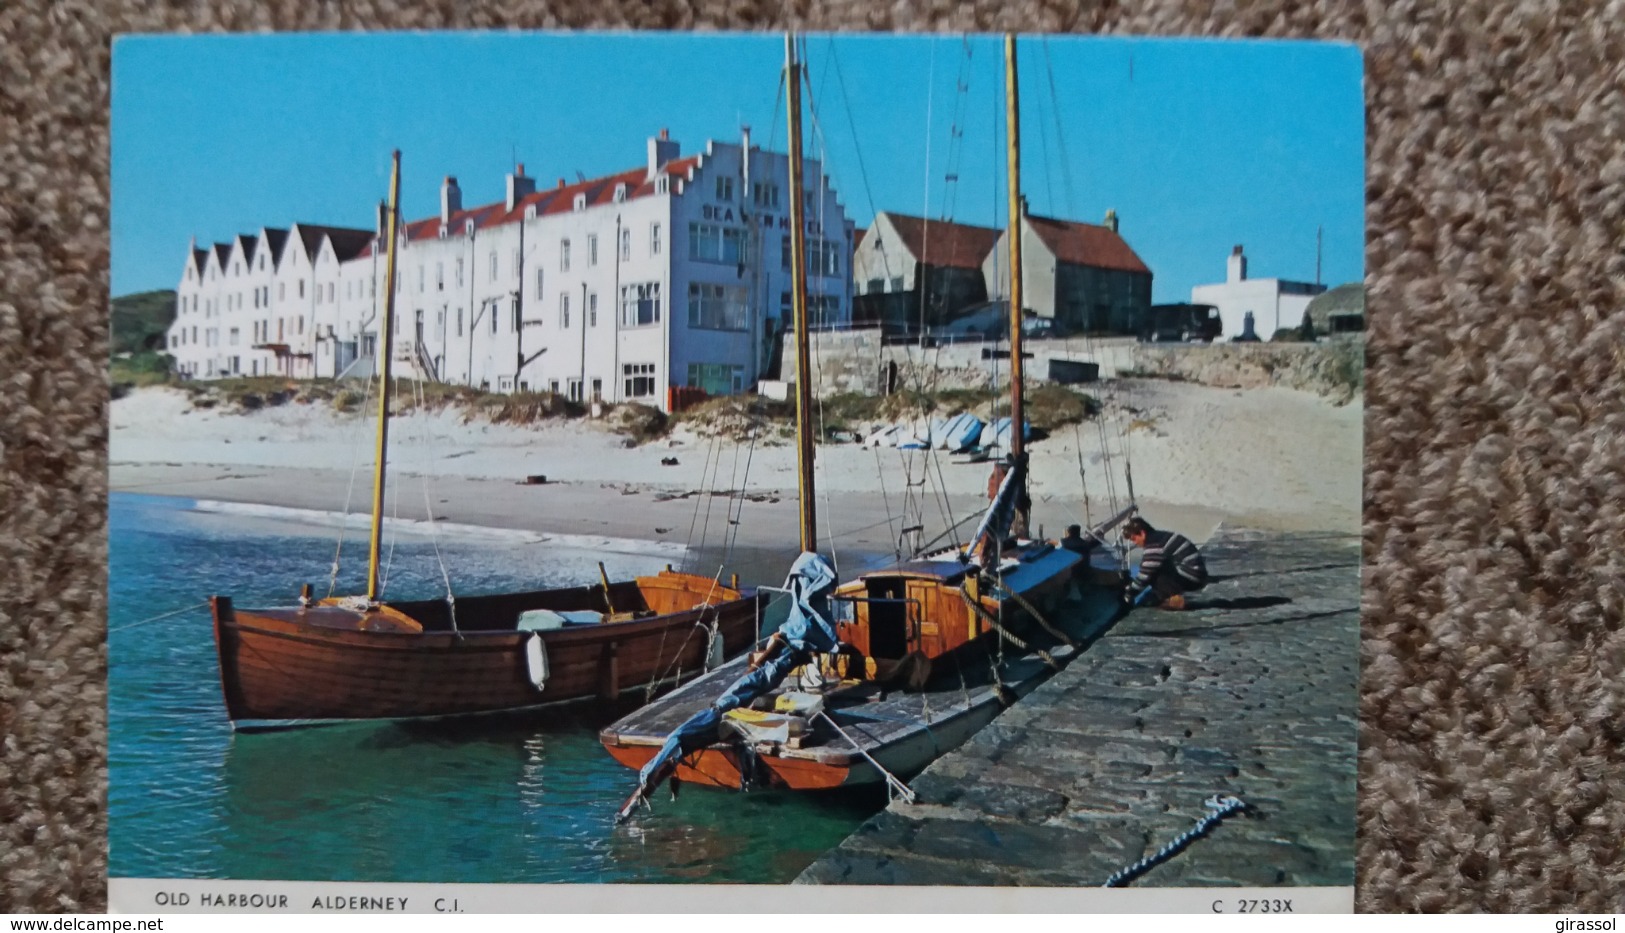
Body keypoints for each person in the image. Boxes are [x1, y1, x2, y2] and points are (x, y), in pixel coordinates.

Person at [1122, 517, 1208, 610]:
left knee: (1154, 571)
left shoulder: (1154, 545)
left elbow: (1144, 576)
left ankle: (1173, 599)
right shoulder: (1160, 537)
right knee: (1156, 565)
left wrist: (1129, 593)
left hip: (1192, 579)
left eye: (1134, 539)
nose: (1135, 543)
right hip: (1196, 574)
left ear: (1142, 533)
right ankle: (1166, 595)